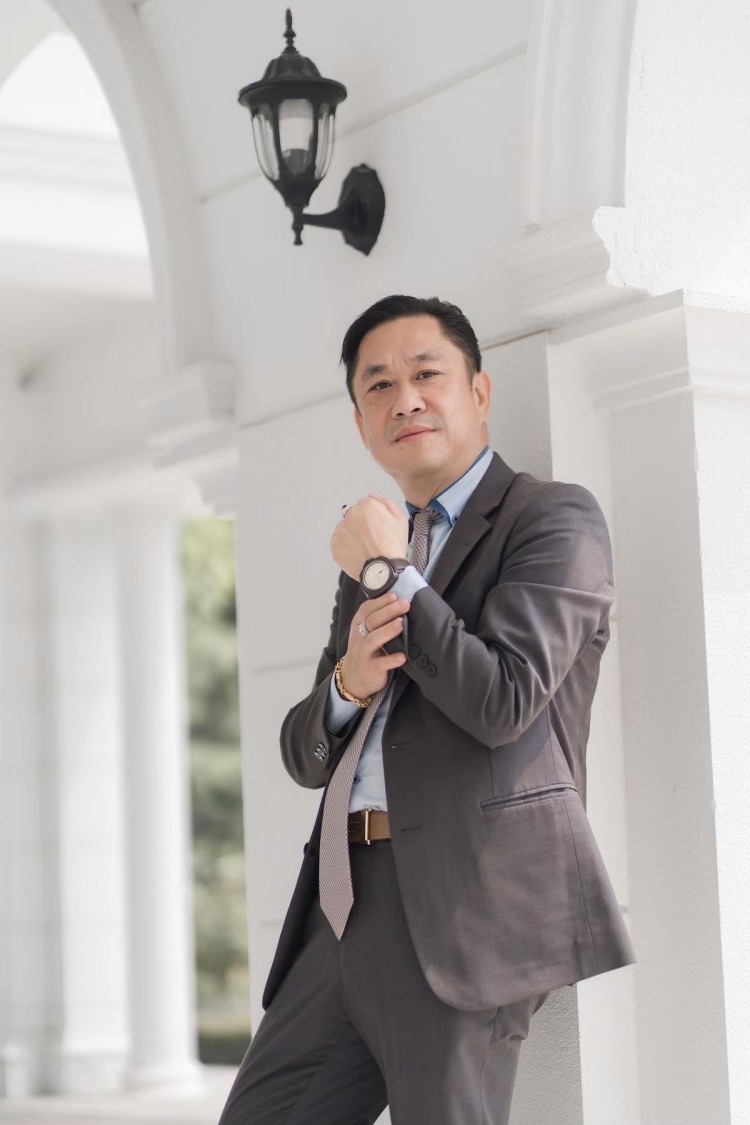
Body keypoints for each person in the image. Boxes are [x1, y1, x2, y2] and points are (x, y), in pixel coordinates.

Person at [218, 295, 635, 1125]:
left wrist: (389, 572)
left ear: (478, 391)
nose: (403, 398)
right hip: (342, 907)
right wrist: (348, 685)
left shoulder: (551, 517)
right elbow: (304, 753)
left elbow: (504, 698)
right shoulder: (378, 552)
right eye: (378, 386)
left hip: (462, 911)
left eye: (425, 374)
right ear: (361, 423)